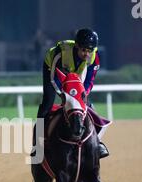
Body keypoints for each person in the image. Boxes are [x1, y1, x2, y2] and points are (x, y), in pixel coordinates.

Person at [32, 28, 109, 158]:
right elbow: (54, 79)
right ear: (77, 46)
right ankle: (37, 145)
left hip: (77, 75)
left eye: (90, 50)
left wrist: (81, 96)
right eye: (83, 50)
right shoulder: (60, 53)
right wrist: (63, 95)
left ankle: (97, 143)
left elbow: (89, 81)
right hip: (53, 70)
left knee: (89, 106)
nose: (86, 54)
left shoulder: (94, 58)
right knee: (47, 104)